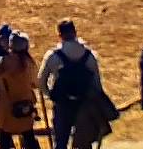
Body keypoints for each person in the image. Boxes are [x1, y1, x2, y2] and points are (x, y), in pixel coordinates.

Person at [38, 19, 104, 149]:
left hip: (62, 103)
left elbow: (41, 80)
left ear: (59, 34)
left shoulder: (53, 56)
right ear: (75, 32)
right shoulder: (89, 55)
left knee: (61, 141)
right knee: (84, 142)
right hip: (84, 103)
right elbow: (96, 82)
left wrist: (51, 95)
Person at [0, 31, 42, 149]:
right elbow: (36, 83)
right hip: (25, 109)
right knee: (28, 135)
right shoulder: (29, 63)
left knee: (5, 137)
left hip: (6, 109)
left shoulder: (3, 61)